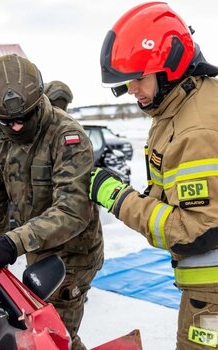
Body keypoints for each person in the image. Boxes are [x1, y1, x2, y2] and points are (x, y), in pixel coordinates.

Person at [0, 54, 103, 349]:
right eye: (7, 122)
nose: (16, 127)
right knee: (54, 335)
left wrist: (11, 243)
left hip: (73, 255)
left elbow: (73, 211)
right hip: (37, 251)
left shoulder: (67, 136)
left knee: (52, 336)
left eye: (24, 118)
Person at [89, 3, 218, 349]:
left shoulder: (196, 130)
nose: (131, 89)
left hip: (213, 297)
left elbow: (196, 230)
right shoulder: (184, 106)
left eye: (138, 78)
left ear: (172, 66)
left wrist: (119, 199)